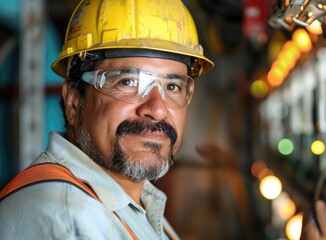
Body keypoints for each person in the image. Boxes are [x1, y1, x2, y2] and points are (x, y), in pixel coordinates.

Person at [0, 0, 214, 239]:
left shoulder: (133, 205)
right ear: (73, 102)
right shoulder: (67, 220)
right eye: (128, 82)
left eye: (172, 86)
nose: (158, 109)